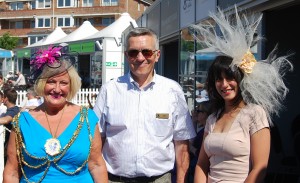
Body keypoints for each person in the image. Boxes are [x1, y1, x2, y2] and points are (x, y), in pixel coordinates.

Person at [192, 7, 293, 183]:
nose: (224, 84)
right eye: (218, 79)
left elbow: (259, 168)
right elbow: (201, 164)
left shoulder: (255, 114)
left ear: (241, 80)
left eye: (230, 78)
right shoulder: (212, 118)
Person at [93, 27, 196, 183]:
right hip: (115, 179)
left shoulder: (172, 90)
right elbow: (96, 141)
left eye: (146, 52)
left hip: (160, 179)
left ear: (157, 55)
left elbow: (181, 144)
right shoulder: (109, 90)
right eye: (134, 52)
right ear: (126, 56)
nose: (140, 58)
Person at [3, 46, 108, 183]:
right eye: (51, 81)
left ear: (71, 86)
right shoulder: (22, 122)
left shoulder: (86, 118)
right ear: (41, 84)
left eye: (63, 83)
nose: (57, 89)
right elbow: (11, 172)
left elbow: (96, 165)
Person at [188, 98, 212, 183]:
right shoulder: (203, 130)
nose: (196, 114)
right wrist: (194, 122)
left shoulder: (208, 132)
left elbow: (202, 154)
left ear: (206, 114)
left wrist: (191, 148)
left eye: (198, 111)